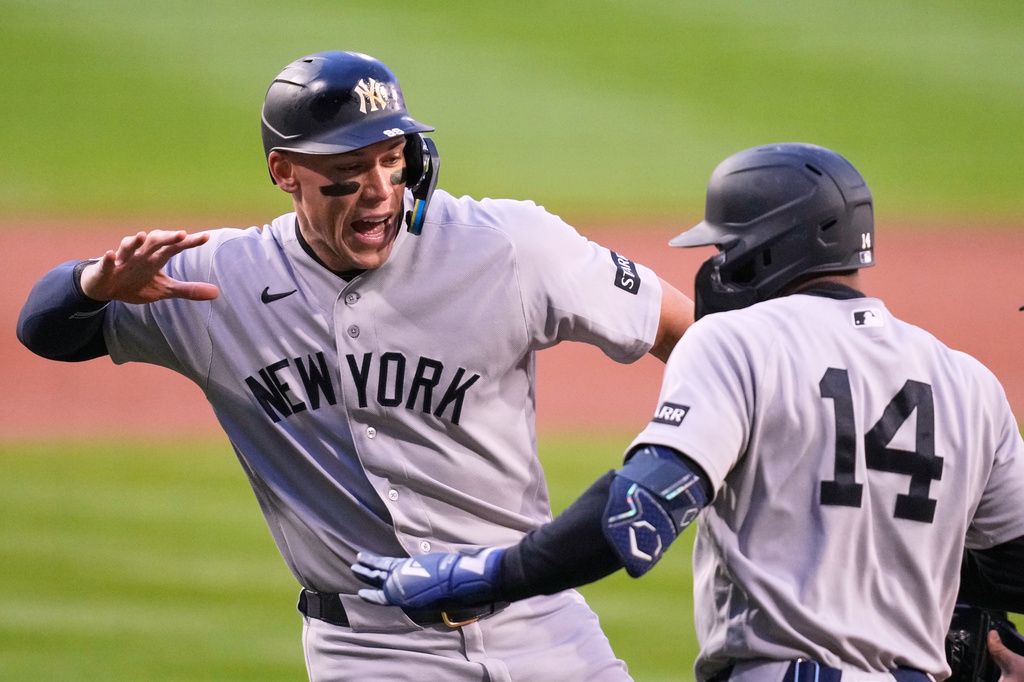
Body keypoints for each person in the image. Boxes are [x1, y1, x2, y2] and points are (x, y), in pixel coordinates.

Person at [16, 51, 696, 681]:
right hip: (369, 650)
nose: (378, 192)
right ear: (285, 172)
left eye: (391, 161)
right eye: (347, 173)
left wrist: (707, 442)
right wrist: (92, 286)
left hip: (540, 624)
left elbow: (684, 329)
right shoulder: (218, 283)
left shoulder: (508, 246)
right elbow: (44, 329)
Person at [351, 143, 1024, 682]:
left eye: (724, 247)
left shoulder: (738, 341)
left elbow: (636, 516)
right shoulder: (971, 384)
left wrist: (481, 575)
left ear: (766, 249)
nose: (716, 265)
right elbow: (1012, 567)